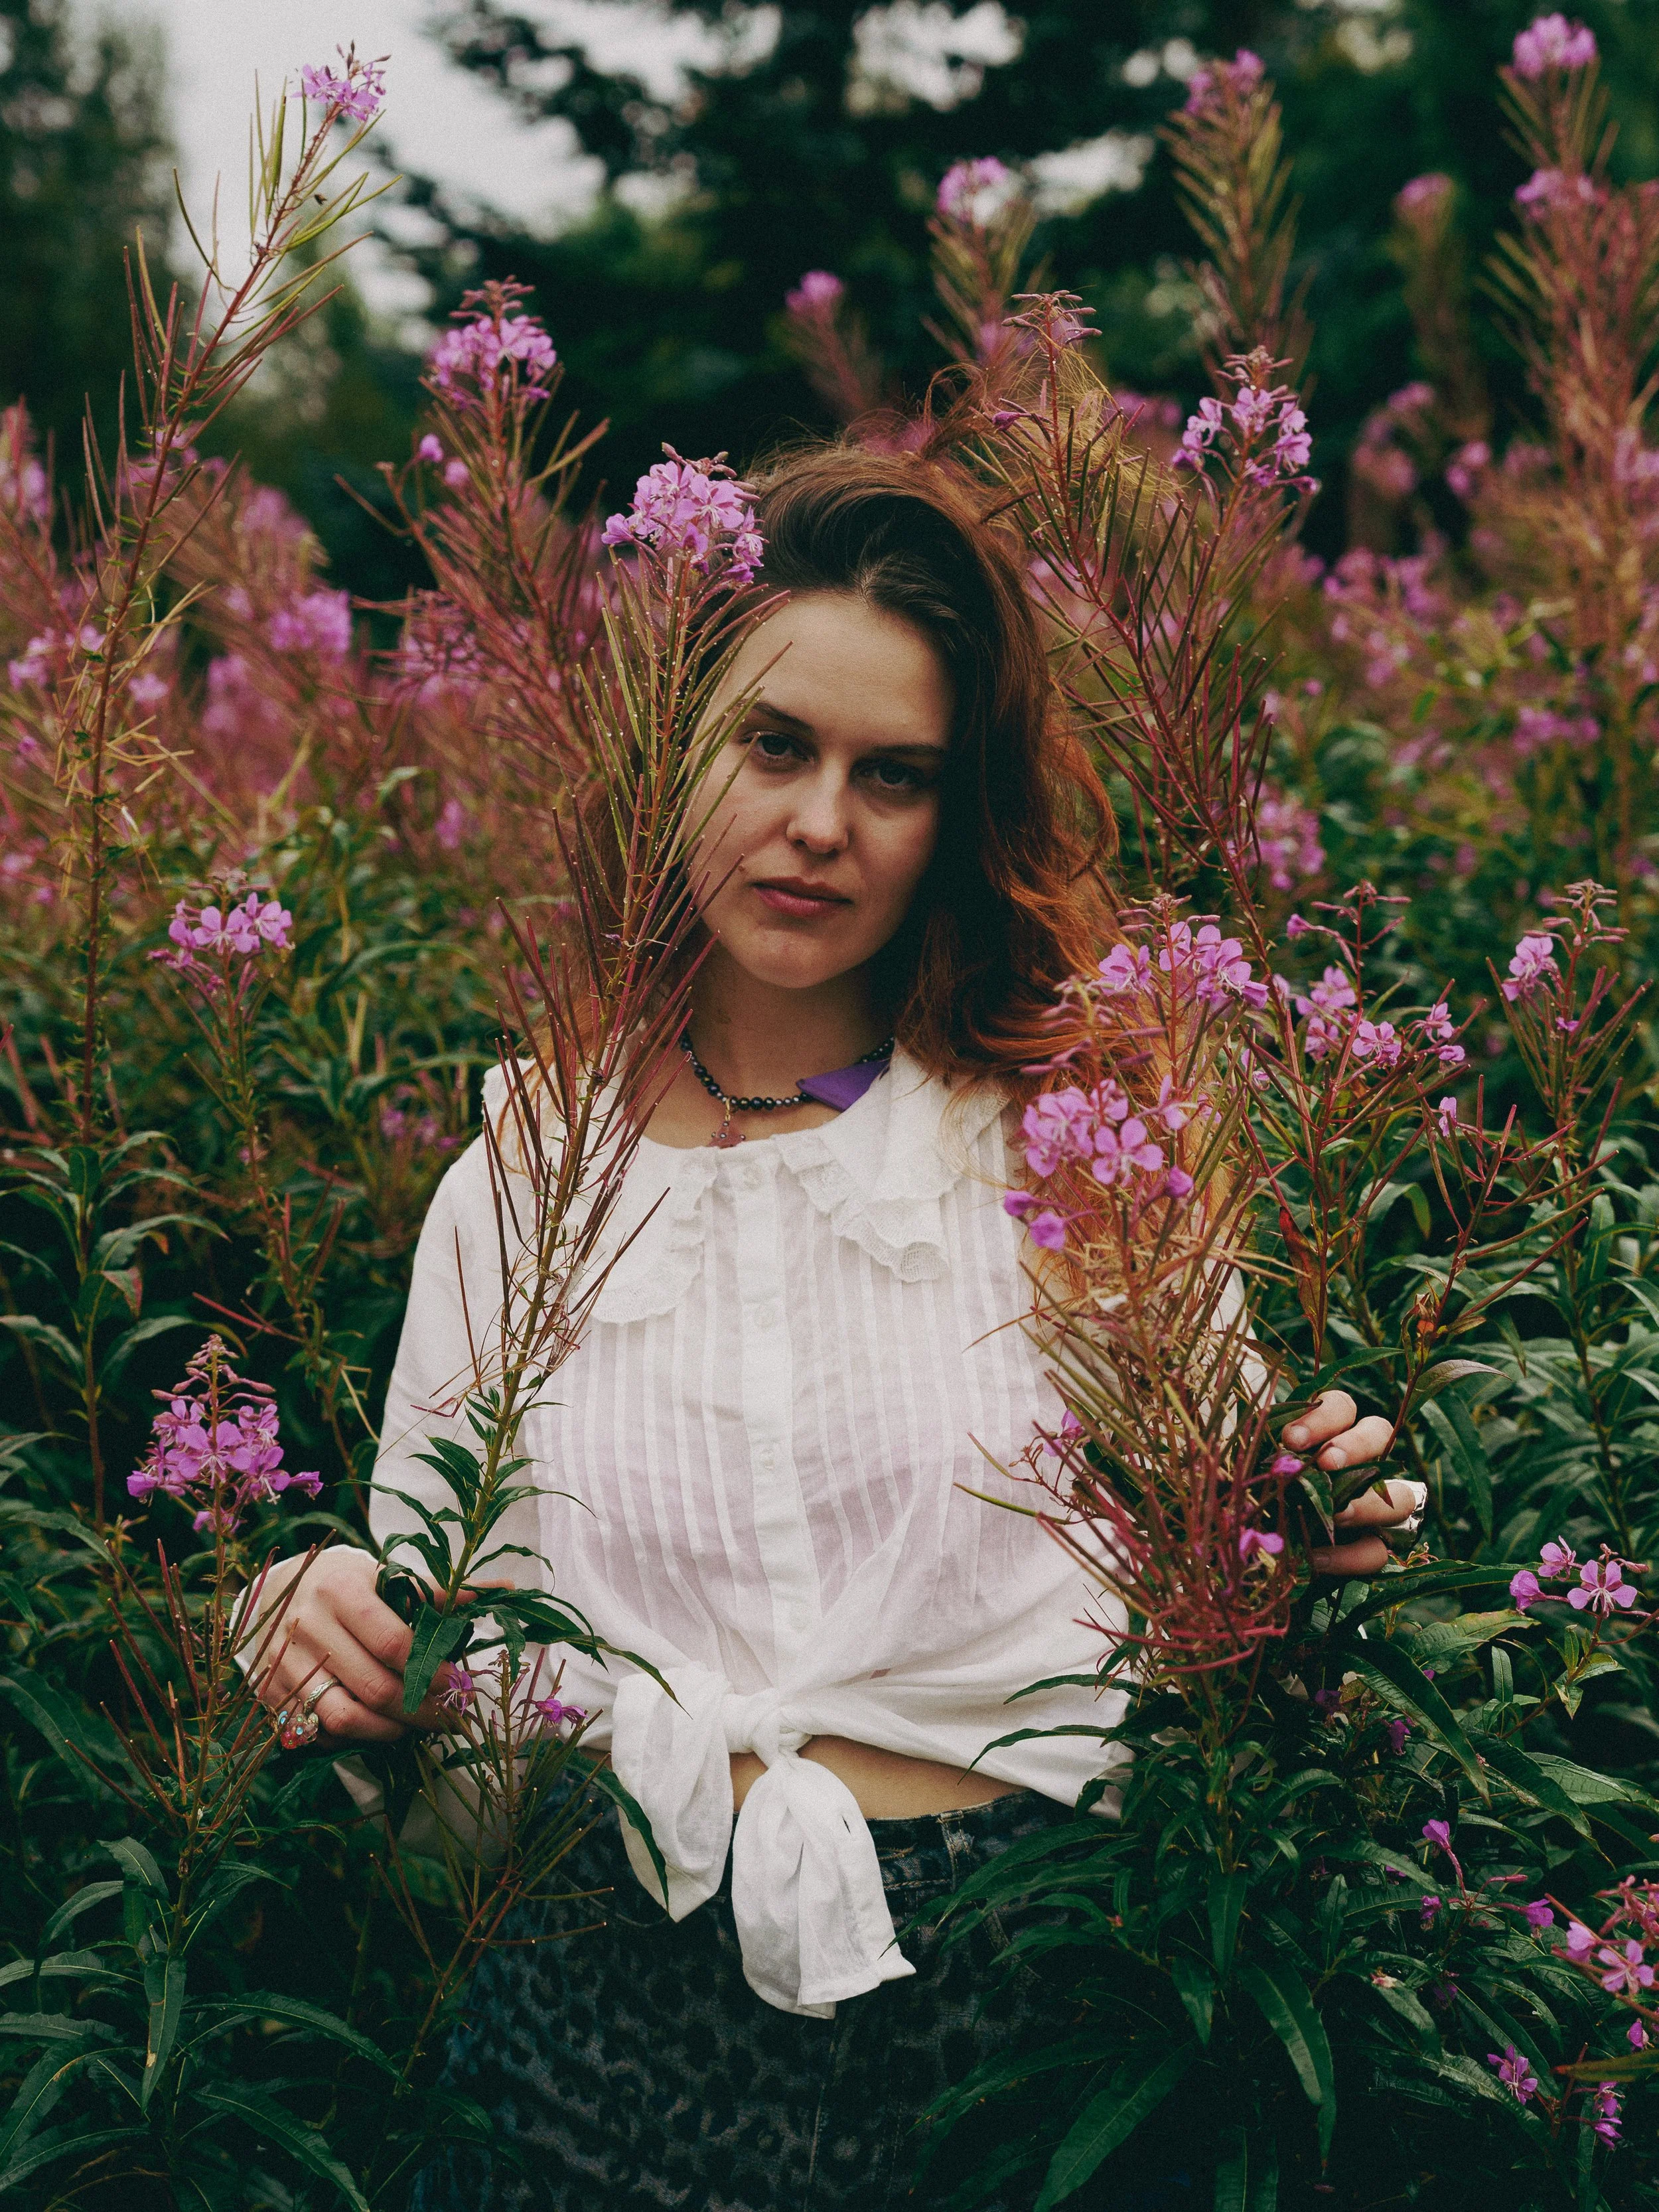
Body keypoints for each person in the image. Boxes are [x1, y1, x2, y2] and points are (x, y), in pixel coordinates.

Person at [250, 447, 1420, 2210]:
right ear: (669, 748)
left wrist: (1301, 1509)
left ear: (957, 818)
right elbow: (432, 1665)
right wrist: (312, 1614)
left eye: (895, 777)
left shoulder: (1063, 1144)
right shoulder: (519, 1177)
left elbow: (1222, 1536)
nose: (818, 824)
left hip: (1020, 2016)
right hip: (590, 2025)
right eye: (774, 745)